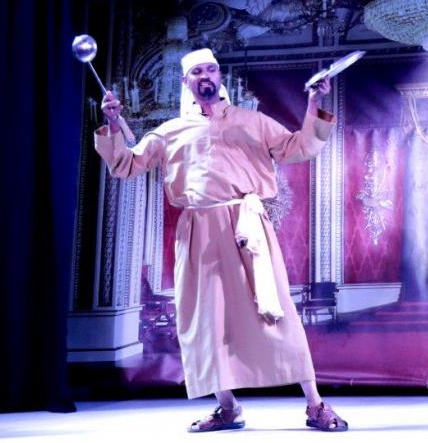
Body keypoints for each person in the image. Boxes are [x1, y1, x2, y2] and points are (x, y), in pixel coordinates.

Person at [96, 48, 347, 433]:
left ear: (219, 77)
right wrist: (113, 123)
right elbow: (125, 164)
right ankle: (228, 408)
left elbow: (300, 146)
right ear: (186, 82)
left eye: (211, 69)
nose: (206, 76)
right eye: (197, 71)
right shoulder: (170, 132)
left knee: (275, 310)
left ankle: (315, 405)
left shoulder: (252, 121)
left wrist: (314, 103)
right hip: (199, 233)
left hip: (248, 228)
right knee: (205, 322)